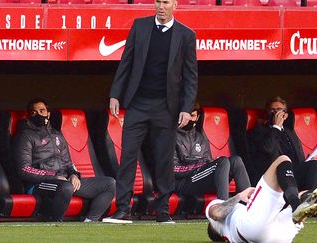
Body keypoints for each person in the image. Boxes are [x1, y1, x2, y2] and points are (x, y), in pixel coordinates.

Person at [107, 0, 198, 223]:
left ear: (175, 5)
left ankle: (163, 211)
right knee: (128, 155)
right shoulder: (140, 26)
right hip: (137, 103)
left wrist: (186, 108)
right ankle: (122, 209)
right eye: (157, 1)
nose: (160, 6)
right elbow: (125, 62)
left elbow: (190, 76)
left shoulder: (186, 35)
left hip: (166, 107)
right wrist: (115, 94)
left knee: (163, 159)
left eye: (165, 2)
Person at [13, 98, 116, 222]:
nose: (39, 115)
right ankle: (56, 223)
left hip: (64, 180)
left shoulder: (57, 135)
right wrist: (53, 176)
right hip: (38, 184)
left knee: (110, 183)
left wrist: (73, 175)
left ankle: (90, 221)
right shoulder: (25, 136)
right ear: (29, 115)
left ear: (48, 114)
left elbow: (68, 163)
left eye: (42, 111)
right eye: (34, 112)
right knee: (66, 187)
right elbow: (24, 170)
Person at [206, 155, 317, 243]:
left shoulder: (227, 234)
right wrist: (239, 196)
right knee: (282, 160)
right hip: (249, 227)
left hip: (277, 236)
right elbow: (215, 214)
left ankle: (299, 205)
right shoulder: (216, 224)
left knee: (304, 195)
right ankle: (297, 205)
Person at [174, 102, 251, 200]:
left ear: (197, 118)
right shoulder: (171, 137)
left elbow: (207, 161)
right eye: (186, 115)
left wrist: (207, 164)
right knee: (222, 162)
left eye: (192, 116)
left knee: (236, 160)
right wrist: (200, 165)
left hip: (200, 178)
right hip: (183, 182)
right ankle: (222, 208)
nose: (188, 119)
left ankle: (248, 206)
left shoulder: (199, 137)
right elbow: (173, 170)